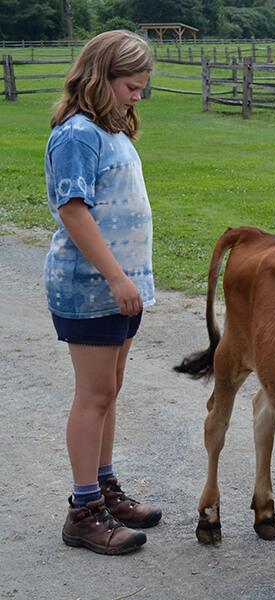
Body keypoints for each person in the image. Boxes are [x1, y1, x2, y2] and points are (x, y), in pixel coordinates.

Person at [45, 30, 161, 555]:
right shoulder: (76, 135)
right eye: (131, 87)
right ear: (100, 78)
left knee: (109, 391)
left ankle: (105, 487)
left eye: (142, 88)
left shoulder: (111, 130)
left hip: (120, 290)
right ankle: (83, 509)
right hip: (92, 288)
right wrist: (116, 276)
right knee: (93, 396)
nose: (137, 96)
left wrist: (128, 281)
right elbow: (73, 210)